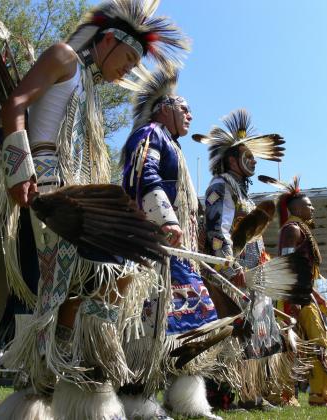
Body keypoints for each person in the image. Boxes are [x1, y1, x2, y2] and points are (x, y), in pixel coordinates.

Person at [0, 2, 189, 419]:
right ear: (108, 41)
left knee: (100, 284)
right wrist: (19, 167)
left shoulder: (91, 91)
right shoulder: (63, 57)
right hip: (49, 198)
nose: (128, 71)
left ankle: (66, 399)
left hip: (75, 202)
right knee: (75, 290)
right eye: (129, 59)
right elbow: (15, 104)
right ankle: (54, 400)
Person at [121, 66, 222, 419]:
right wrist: (166, 218)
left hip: (177, 253)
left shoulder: (173, 147)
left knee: (195, 322)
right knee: (146, 325)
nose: (190, 115)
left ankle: (187, 401)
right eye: (185, 109)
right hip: (152, 248)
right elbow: (140, 173)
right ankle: (135, 400)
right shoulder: (150, 134)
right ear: (165, 108)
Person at [200, 109, 288, 408]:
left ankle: (253, 393)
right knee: (235, 332)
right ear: (230, 158)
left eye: (254, 156)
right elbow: (217, 230)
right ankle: (226, 394)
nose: (252, 161)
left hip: (252, 274)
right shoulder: (221, 186)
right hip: (232, 273)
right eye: (246, 155)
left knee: (257, 331)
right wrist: (229, 265)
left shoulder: (244, 194)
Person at [276, 176, 327, 406]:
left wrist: (318, 298)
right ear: (297, 208)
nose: (313, 208)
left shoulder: (300, 230)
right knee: (296, 345)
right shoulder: (292, 229)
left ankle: (318, 394)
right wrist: (294, 301)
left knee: (312, 344)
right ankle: (289, 395)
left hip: (302, 296)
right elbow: (287, 265)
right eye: (309, 205)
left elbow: (307, 275)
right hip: (294, 298)